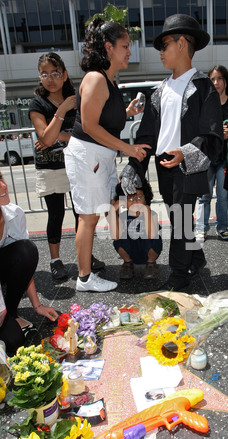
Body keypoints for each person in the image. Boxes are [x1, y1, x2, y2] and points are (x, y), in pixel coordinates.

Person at [121, 14, 224, 292]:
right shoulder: (159, 90)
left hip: (188, 164)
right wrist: (135, 165)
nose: (160, 52)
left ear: (181, 44)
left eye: (164, 45)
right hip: (163, 163)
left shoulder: (203, 87)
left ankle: (179, 276)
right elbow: (146, 134)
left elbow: (211, 131)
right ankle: (196, 256)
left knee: (179, 218)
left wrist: (187, 152)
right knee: (178, 215)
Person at [64, 18, 151, 293]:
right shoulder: (95, 78)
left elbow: (101, 119)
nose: (129, 51)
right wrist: (129, 148)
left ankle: (89, 272)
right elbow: (89, 125)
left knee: (95, 213)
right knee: (88, 217)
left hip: (99, 157)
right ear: (108, 47)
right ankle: (85, 278)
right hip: (88, 156)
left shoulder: (108, 80)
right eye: (125, 46)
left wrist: (127, 113)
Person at [29, 53, 105, 282]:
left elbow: (82, 132)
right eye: (44, 74)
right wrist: (61, 111)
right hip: (49, 167)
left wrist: (57, 136)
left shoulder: (78, 98)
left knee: (81, 213)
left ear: (64, 75)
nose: (50, 79)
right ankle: (55, 261)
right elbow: (46, 137)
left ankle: (86, 256)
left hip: (77, 164)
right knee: (56, 213)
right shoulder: (37, 104)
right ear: (40, 77)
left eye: (55, 73)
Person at [0, 171, 58, 355]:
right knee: (11, 342)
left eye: (0, 179)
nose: (2, 186)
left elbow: (24, 264)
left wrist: (38, 306)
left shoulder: (14, 213)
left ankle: (9, 312)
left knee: (26, 250)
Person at [195, 65, 228, 242]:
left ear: (226, 81)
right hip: (207, 157)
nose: (216, 82)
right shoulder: (204, 103)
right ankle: (202, 228)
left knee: (223, 196)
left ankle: (222, 227)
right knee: (204, 197)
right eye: (213, 79)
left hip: (225, 159)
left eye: (220, 78)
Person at [108, 179, 162, 280]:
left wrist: (146, 211)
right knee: (119, 240)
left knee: (155, 238)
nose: (136, 201)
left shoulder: (151, 213)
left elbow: (152, 235)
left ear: (146, 198)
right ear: (124, 201)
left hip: (148, 250)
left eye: (139, 197)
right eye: (130, 198)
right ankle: (128, 264)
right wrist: (113, 211)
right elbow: (115, 237)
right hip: (131, 251)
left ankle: (151, 265)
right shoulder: (122, 216)